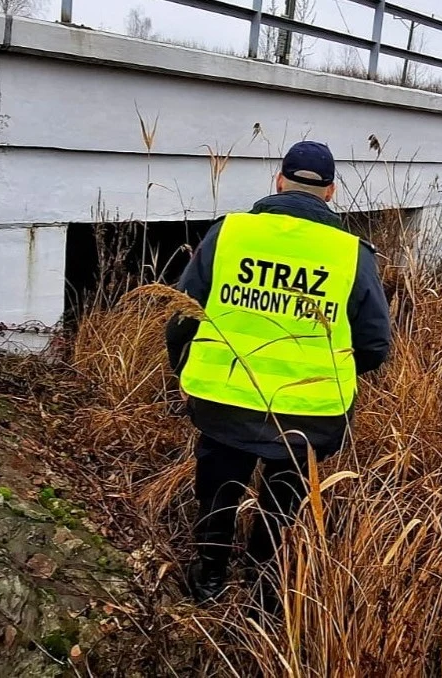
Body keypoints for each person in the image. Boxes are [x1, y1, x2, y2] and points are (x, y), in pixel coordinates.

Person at [165, 140, 392, 607]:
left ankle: (209, 579)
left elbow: (181, 315)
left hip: (222, 399)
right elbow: (374, 344)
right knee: (282, 502)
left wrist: (186, 367)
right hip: (309, 415)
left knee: (219, 491)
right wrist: (331, 374)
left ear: (278, 180)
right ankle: (265, 587)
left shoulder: (229, 233)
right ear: (330, 192)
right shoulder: (352, 253)